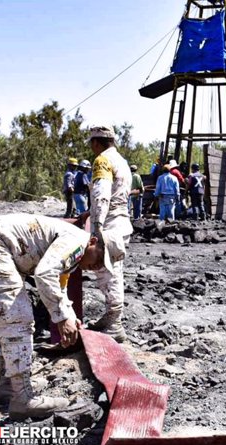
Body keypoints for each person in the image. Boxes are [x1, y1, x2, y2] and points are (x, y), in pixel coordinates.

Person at [0, 214, 125, 420]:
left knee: (12, 319)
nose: (98, 266)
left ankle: (8, 388)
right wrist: (60, 318)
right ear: (93, 242)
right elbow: (45, 273)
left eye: (104, 264)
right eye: (100, 258)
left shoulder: (73, 257)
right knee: (17, 318)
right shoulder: (77, 241)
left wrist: (69, 314)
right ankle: (22, 399)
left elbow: (59, 285)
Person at [86, 125, 133, 343]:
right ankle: (111, 318)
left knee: (107, 273)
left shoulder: (102, 161)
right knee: (115, 271)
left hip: (110, 223)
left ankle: (114, 323)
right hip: (122, 220)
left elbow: (101, 195)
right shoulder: (122, 161)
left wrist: (96, 228)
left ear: (96, 142)